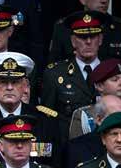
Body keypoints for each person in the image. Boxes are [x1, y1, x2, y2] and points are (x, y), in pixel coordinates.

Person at [42, 10, 104, 141]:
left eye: (93, 36)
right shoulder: (54, 74)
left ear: (100, 39)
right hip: (68, 147)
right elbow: (47, 121)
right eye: (82, 37)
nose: (88, 41)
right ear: (73, 41)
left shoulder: (116, 73)